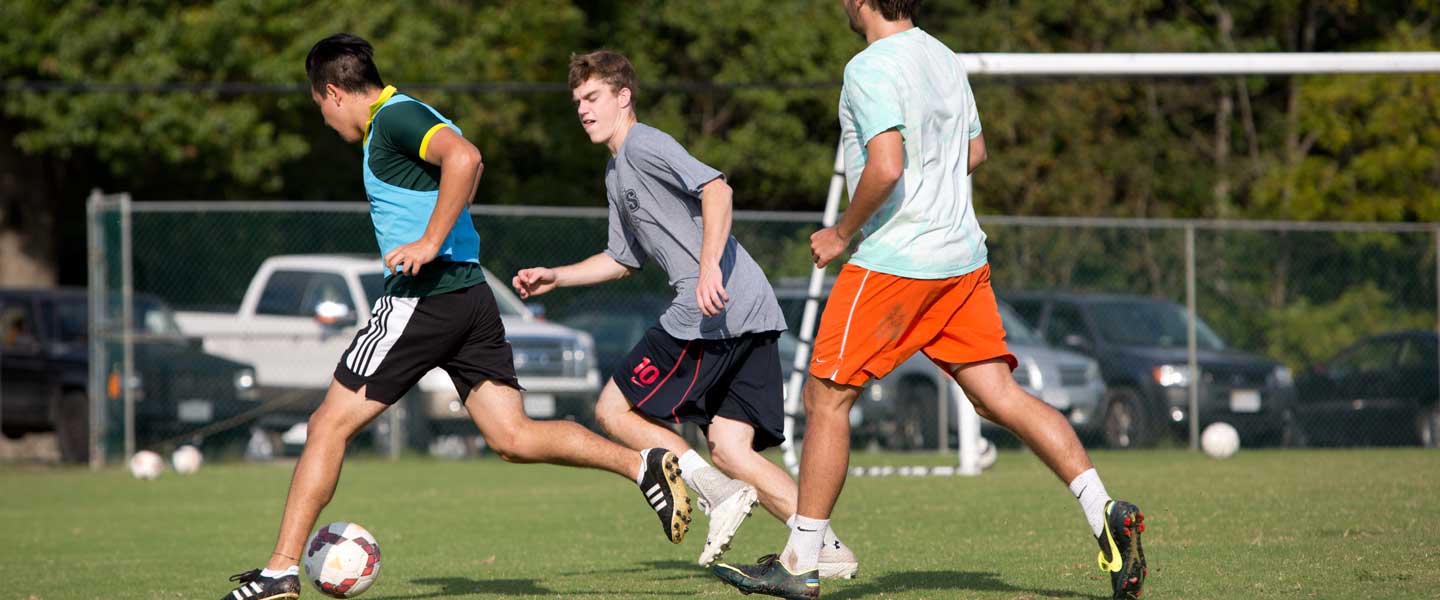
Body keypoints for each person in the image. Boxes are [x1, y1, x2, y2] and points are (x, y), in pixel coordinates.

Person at [217, 34, 690, 600]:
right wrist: (444, 231)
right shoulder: (412, 114)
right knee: (512, 436)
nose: (323, 118)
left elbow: (464, 160)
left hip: (424, 298)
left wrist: (428, 241)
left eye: (319, 104)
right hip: (469, 296)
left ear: (334, 92)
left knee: (326, 425)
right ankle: (644, 464)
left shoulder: (392, 120)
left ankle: (279, 571)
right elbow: (472, 162)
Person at [711, 2, 1148, 599]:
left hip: (896, 263)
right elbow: (973, 153)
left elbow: (886, 166)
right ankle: (1104, 510)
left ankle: (801, 560)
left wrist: (841, 234)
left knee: (826, 397)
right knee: (999, 396)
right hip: (962, 262)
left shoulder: (870, 67)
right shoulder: (944, 57)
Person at [512, 50, 858, 576]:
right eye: (577, 101)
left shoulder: (645, 144)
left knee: (612, 410)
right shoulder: (615, 173)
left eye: (593, 97)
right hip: (751, 306)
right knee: (730, 446)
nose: (582, 109)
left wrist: (708, 268)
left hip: (712, 306)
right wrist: (557, 275)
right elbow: (621, 259)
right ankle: (825, 548)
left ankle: (718, 496)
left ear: (623, 97)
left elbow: (717, 189)